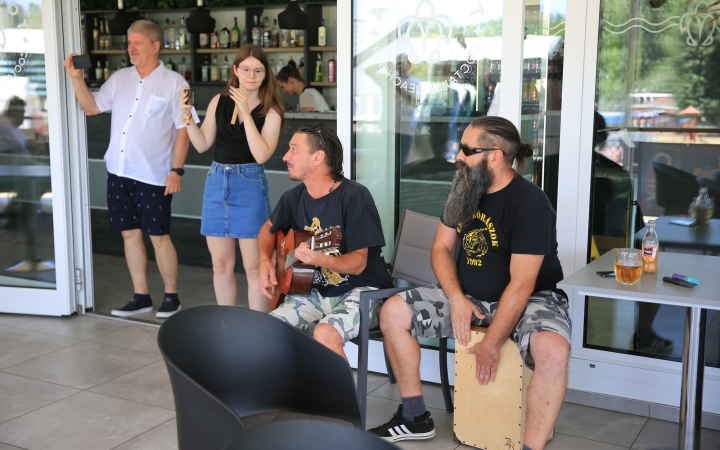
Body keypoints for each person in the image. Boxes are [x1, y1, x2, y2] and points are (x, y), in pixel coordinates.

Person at [370, 117, 571, 450]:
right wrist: (457, 297)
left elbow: (521, 286)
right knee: (392, 313)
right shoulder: (464, 188)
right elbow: (440, 249)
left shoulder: (531, 204)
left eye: (466, 150)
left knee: (553, 350)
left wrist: (491, 344)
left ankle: (530, 447)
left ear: (494, 156)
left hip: (532, 298)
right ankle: (414, 417)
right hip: (469, 297)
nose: (458, 157)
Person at [64, 20, 190, 318]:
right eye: (129, 43)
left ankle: (171, 297)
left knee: (159, 236)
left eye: (138, 43)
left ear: (155, 45)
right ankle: (141, 296)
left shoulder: (174, 83)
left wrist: (178, 170)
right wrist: (75, 77)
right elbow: (92, 107)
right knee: (129, 235)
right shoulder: (120, 78)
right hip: (119, 171)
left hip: (155, 174)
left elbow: (184, 128)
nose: (131, 48)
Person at [257, 123, 393, 361]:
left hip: (362, 292)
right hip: (313, 293)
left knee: (325, 333)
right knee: (265, 331)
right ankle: (287, 396)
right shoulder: (293, 198)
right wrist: (264, 262)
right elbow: (268, 228)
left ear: (317, 157)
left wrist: (321, 259)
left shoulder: (354, 197)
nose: (285, 156)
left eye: (293, 149)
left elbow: (359, 264)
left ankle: (342, 399)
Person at [179, 44, 283, 311]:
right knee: (220, 264)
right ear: (236, 70)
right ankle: (227, 327)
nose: (251, 75)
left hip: (249, 184)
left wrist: (247, 113)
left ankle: (257, 332)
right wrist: (187, 115)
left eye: (258, 71)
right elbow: (202, 144)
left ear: (265, 74)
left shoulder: (271, 111)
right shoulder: (219, 101)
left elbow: (261, 155)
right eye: (246, 69)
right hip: (216, 182)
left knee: (253, 266)